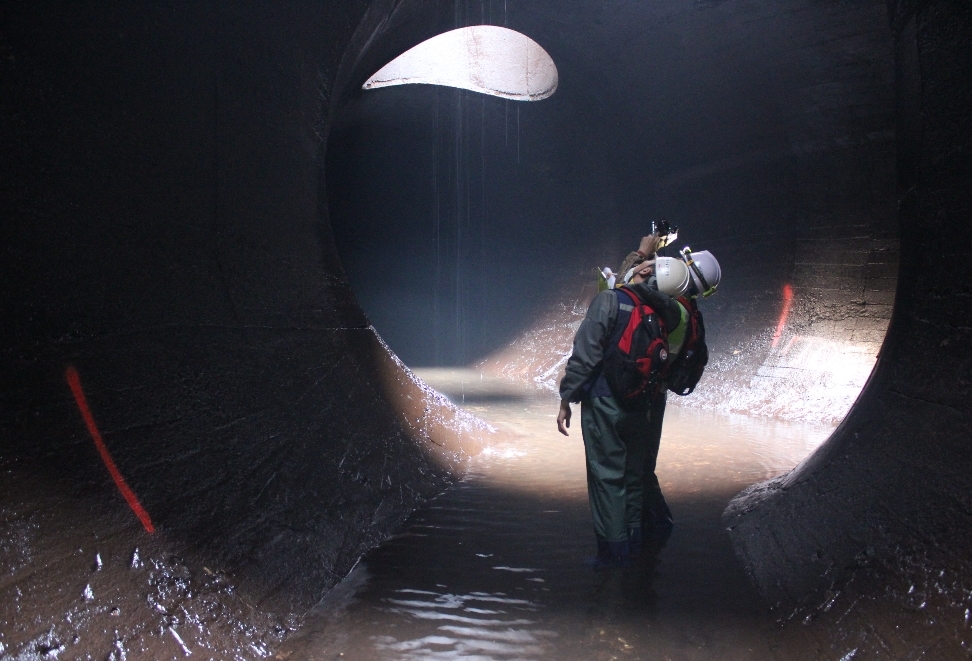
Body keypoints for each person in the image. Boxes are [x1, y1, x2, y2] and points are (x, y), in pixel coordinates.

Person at [556, 249, 683, 567]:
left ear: (643, 274)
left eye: (643, 266)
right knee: (633, 476)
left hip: (605, 402)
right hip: (643, 404)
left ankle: (613, 557)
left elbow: (585, 355)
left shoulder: (609, 302)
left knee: (607, 478)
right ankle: (636, 545)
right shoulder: (667, 312)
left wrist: (565, 399)